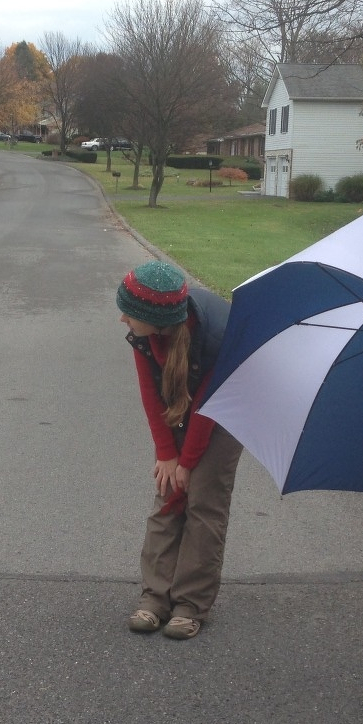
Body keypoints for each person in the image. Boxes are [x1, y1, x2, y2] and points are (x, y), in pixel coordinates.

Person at [116, 260, 243, 640]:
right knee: (167, 490)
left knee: (203, 499)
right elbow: (151, 395)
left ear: (156, 318)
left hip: (225, 407)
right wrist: (167, 456)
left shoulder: (218, 337)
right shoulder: (145, 335)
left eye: (129, 314)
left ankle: (191, 602)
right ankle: (155, 595)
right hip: (180, 398)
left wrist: (188, 462)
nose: (122, 320)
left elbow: (207, 408)